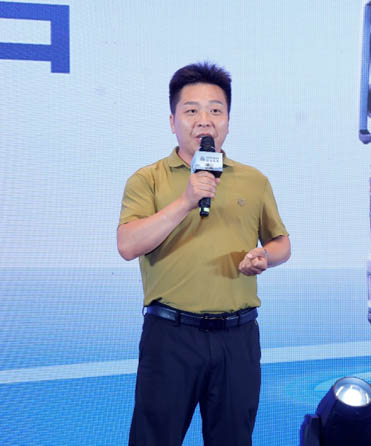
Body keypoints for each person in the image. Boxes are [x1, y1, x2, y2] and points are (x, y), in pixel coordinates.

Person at [117, 62, 291, 446]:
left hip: (238, 338)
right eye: (191, 110)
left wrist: (265, 256)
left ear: (227, 120)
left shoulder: (254, 180)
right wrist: (186, 200)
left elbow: (281, 242)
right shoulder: (148, 179)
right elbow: (128, 245)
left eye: (215, 110)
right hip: (171, 337)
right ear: (172, 121)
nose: (204, 120)